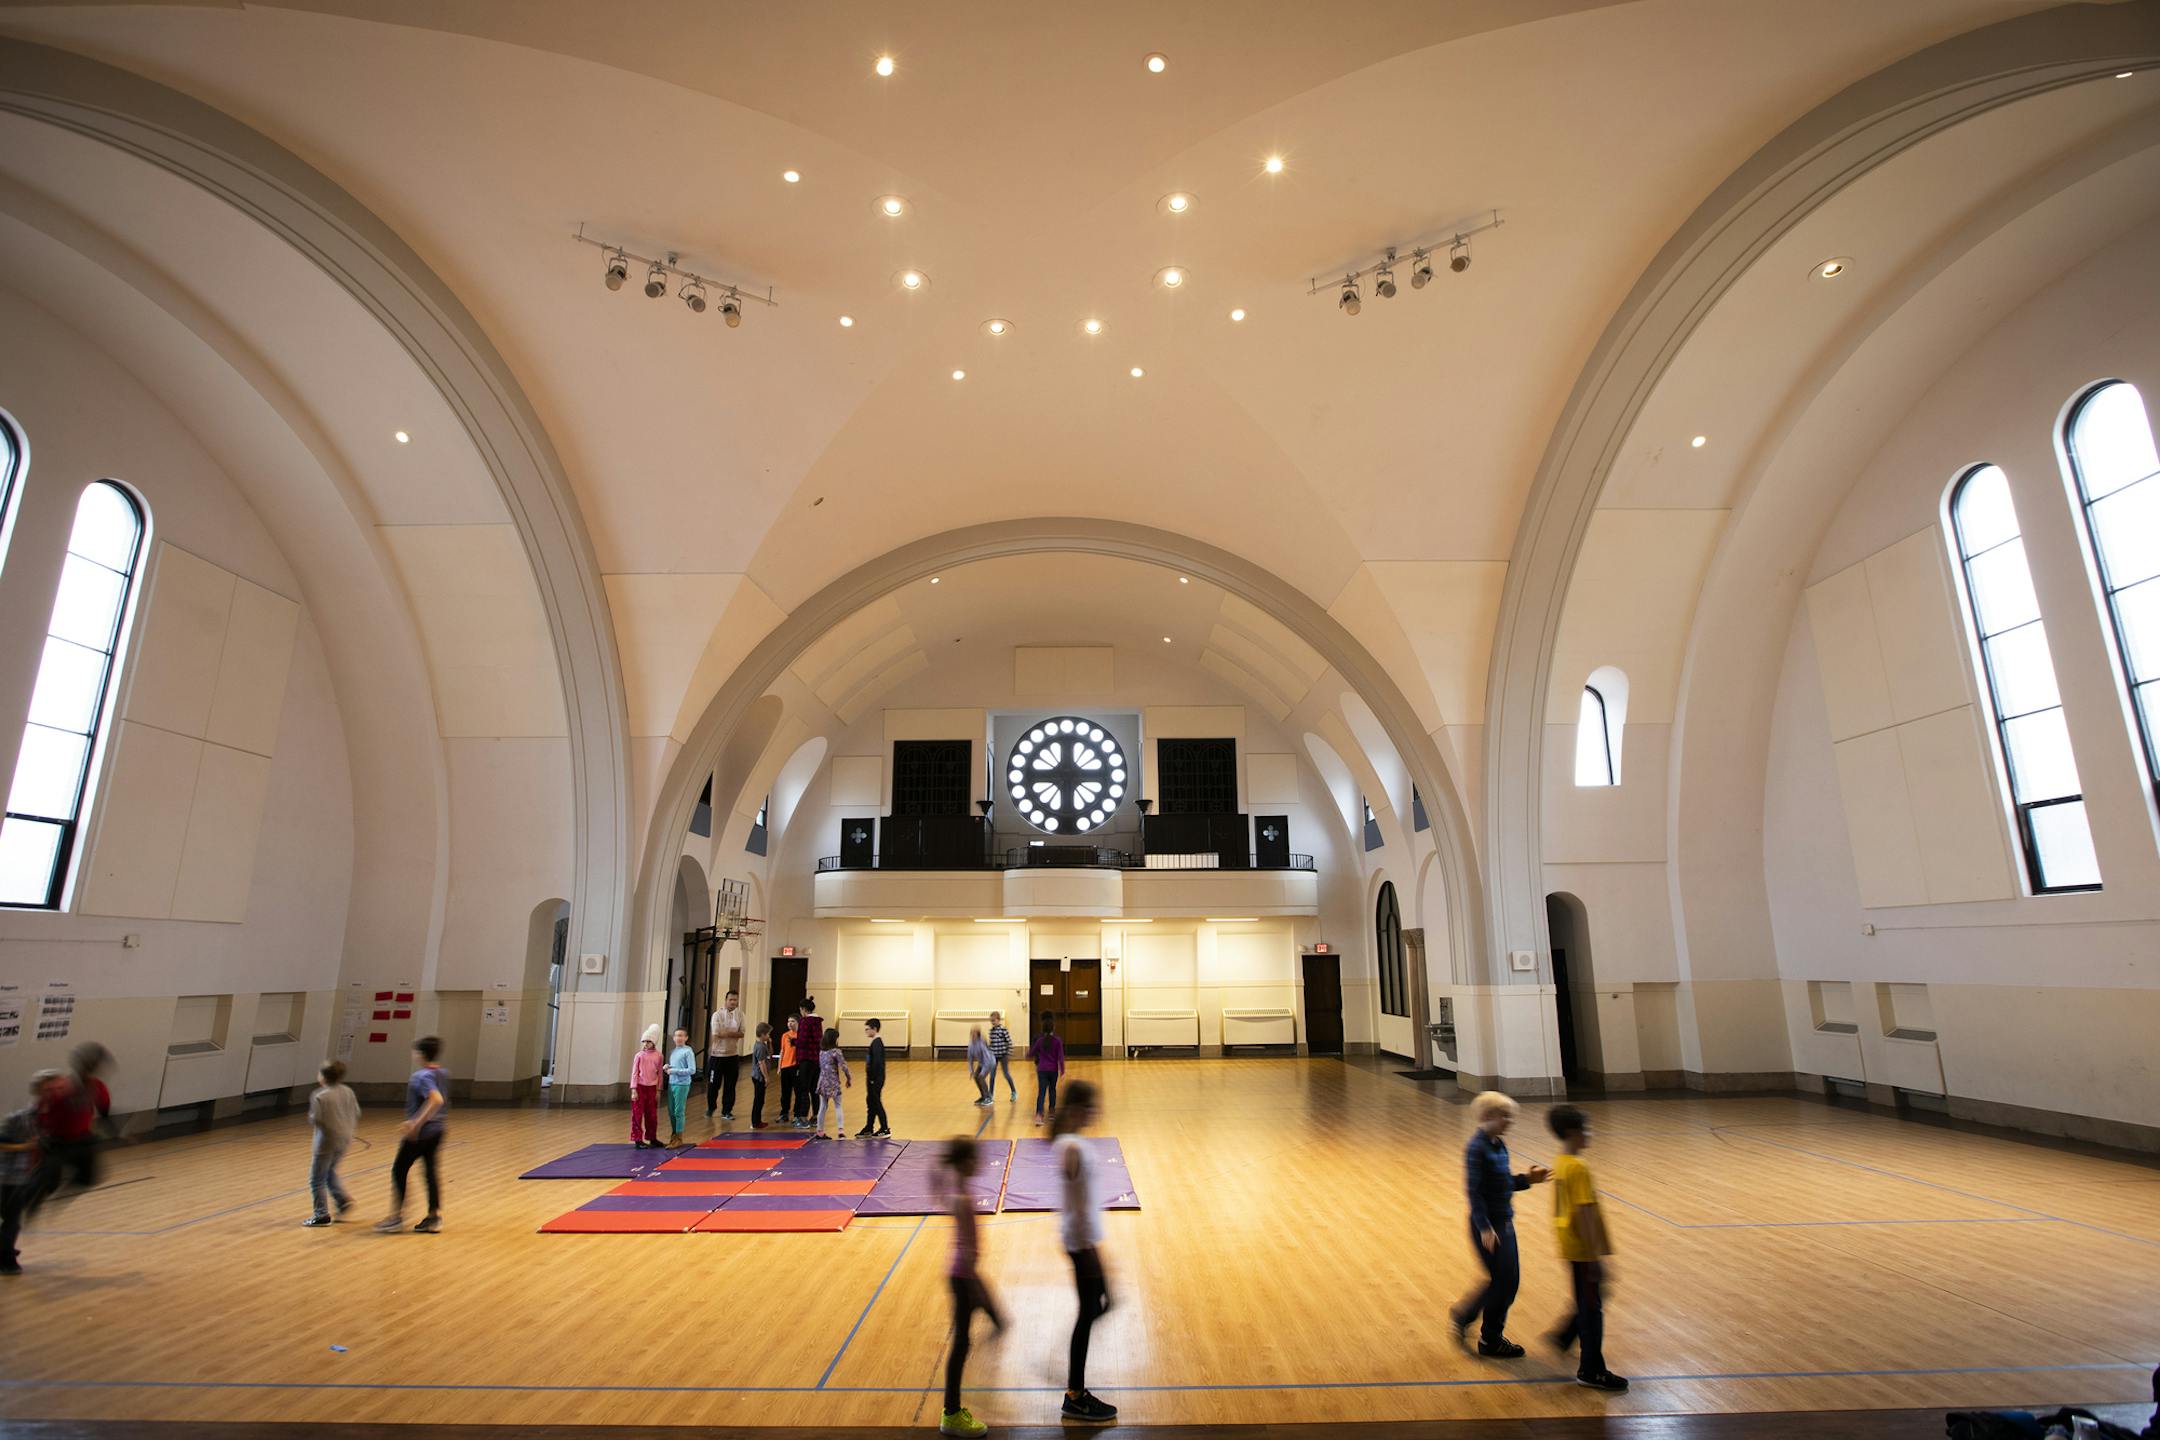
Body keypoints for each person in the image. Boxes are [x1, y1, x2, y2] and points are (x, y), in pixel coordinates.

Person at [1447, 1091, 1550, 1357]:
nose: (1509, 1121)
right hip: (1489, 1226)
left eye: (1510, 1116)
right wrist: (1484, 1228)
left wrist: (1528, 1179)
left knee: (1507, 1281)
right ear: (1487, 1116)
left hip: (1504, 1222)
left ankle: (1474, 1322)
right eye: (1504, 1116)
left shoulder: (1498, 1145)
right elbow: (1474, 1191)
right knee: (1503, 1282)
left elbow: (1502, 1183)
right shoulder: (1477, 1147)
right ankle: (1486, 1335)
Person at [1543, 1105, 1626, 1392]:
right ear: (1573, 1133)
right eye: (1586, 1130)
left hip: (1570, 1244)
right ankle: (1591, 1369)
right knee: (1592, 1308)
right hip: (1583, 1249)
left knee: (1589, 1297)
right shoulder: (1579, 1168)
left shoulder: (1562, 1162)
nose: (1590, 1134)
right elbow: (1585, 1213)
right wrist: (1595, 1256)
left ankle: (1564, 1335)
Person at [1052, 1079, 1115, 1423]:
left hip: (1085, 1241)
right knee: (1090, 1309)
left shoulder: (1072, 1143)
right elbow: (1075, 1207)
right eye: (1090, 1106)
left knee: (1098, 1306)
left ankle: (1076, 1385)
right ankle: (1075, 1394)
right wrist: (1088, 1251)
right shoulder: (1071, 1148)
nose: (1095, 1112)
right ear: (1077, 1109)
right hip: (1081, 1243)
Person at [939, 1135, 1006, 1437]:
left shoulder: (958, 1189)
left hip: (963, 1273)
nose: (978, 1163)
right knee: (961, 1345)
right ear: (965, 1163)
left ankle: (995, 1319)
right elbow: (967, 1251)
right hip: (962, 1275)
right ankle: (951, 1413)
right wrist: (974, 1283)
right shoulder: (962, 1197)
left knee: (991, 1319)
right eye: (974, 1159)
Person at [376, 1035, 448, 1234]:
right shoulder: (441, 1073)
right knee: (430, 1172)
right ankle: (433, 1216)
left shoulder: (422, 1076)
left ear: (421, 1054)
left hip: (422, 1132)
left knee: (399, 1170)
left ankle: (396, 1216)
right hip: (438, 1130)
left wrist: (415, 1123)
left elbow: (435, 1099)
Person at [29, 1041, 111, 1207]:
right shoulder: (61, 1087)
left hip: (82, 1141)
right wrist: (39, 1134)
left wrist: (113, 1128)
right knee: (48, 1185)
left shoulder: (97, 1087)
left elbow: (104, 1110)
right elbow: (40, 1113)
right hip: (57, 1142)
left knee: (88, 1178)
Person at [0, 1072, 54, 1275]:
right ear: (39, 1091)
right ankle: (5, 1258)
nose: (53, 1094)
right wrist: (25, 1146)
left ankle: (5, 1250)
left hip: (27, 1175)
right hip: (8, 1175)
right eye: (48, 1090)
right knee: (11, 1218)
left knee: (12, 1218)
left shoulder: (53, 1119)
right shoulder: (19, 1118)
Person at [301, 1060, 360, 1227]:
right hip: (345, 1139)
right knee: (330, 1171)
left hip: (326, 1142)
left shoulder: (319, 1095)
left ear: (323, 1077)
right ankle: (342, 1200)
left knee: (316, 1179)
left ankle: (321, 1214)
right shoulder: (348, 1091)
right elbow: (356, 1112)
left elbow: (316, 1119)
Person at [706, 990, 745, 1120]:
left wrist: (727, 1032)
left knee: (730, 1085)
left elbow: (742, 1033)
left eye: (735, 1000)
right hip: (717, 1055)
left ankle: (727, 1110)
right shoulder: (717, 1015)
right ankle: (711, 1107)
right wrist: (732, 1033)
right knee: (713, 1084)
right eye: (731, 1000)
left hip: (732, 1055)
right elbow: (717, 1034)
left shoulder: (740, 1015)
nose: (733, 1002)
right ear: (726, 1000)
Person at [629, 1024, 664, 1149]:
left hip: (652, 1088)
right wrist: (634, 1089)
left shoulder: (658, 1056)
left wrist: (659, 1089)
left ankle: (652, 1137)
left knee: (652, 1114)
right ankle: (637, 1139)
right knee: (637, 1113)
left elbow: (660, 1073)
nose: (646, 1044)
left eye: (649, 1041)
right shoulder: (639, 1055)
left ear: (653, 1042)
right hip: (639, 1087)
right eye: (644, 1041)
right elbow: (634, 1072)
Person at [856, 1017, 891, 1138]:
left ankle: (885, 1127)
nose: (866, 1032)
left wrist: (872, 1078)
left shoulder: (876, 1043)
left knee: (876, 1102)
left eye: (867, 1029)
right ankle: (869, 1127)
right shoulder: (875, 1042)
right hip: (873, 1078)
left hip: (875, 1079)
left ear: (874, 1029)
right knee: (870, 1102)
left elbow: (876, 1063)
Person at [814, 1029, 851, 1140]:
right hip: (833, 1081)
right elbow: (843, 1066)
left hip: (822, 1081)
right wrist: (848, 1078)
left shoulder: (821, 1052)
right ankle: (840, 1130)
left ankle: (820, 1131)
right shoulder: (836, 1052)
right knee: (838, 1105)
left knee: (823, 1107)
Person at [1028, 1016, 1065, 1125]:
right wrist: (1062, 1071)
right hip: (1053, 1070)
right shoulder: (1057, 1041)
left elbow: (1032, 1053)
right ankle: (1052, 1112)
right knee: (1052, 1090)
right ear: (1053, 1028)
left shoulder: (1040, 1041)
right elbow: (1061, 1057)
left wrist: (1027, 1055)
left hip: (1042, 1069)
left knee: (1042, 1092)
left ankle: (1039, 1115)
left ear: (1043, 1029)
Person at [665, 1027, 698, 1146]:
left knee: (679, 1111)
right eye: (676, 1036)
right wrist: (668, 1067)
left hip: (682, 1084)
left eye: (681, 1035)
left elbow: (692, 1070)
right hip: (672, 1083)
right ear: (673, 1038)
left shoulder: (688, 1051)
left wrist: (674, 1071)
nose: (678, 1038)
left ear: (686, 1038)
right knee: (671, 1111)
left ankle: (679, 1137)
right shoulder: (673, 1051)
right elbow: (675, 1066)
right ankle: (673, 1134)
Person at [795, 997, 825, 1128]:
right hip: (816, 1059)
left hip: (806, 1059)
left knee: (803, 1088)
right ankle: (815, 1117)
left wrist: (793, 1042)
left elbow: (802, 1041)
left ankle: (802, 1117)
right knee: (814, 1089)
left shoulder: (805, 1021)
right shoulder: (818, 1022)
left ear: (803, 1009)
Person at [749, 1021, 774, 1130]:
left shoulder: (763, 1045)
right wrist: (766, 1077)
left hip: (760, 1076)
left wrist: (769, 1043)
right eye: (767, 1034)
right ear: (763, 1034)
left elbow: (771, 1053)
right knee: (758, 1100)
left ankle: (757, 1121)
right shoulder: (759, 1047)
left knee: (760, 1099)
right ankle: (755, 1122)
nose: (768, 1036)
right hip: (759, 1077)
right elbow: (761, 1063)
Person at [988, 1010, 1017, 1102]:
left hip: (1003, 1055)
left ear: (998, 1020)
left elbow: (1009, 1042)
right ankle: (990, 1094)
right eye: (991, 1021)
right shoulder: (991, 1032)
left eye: (994, 1020)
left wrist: (1009, 1053)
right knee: (992, 1075)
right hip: (994, 1056)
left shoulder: (1003, 1030)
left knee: (1006, 1074)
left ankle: (1013, 1092)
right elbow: (991, 1044)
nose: (992, 1022)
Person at [778, 1016, 800, 1127]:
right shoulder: (785, 1035)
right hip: (785, 1066)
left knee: (797, 1091)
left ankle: (797, 1114)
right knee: (785, 1092)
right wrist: (779, 1066)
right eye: (788, 1021)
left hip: (795, 1066)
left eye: (792, 1021)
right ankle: (784, 1112)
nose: (790, 1023)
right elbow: (782, 1051)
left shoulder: (800, 1035)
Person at [967, 1025, 994, 1107]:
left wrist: (982, 1072)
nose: (972, 1035)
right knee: (976, 1077)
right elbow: (970, 1058)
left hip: (989, 1062)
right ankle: (983, 1097)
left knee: (981, 1077)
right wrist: (971, 1070)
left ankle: (988, 1098)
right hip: (982, 1063)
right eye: (971, 1033)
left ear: (977, 1034)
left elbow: (987, 1058)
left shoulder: (981, 1043)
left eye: (974, 1033)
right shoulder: (971, 1044)